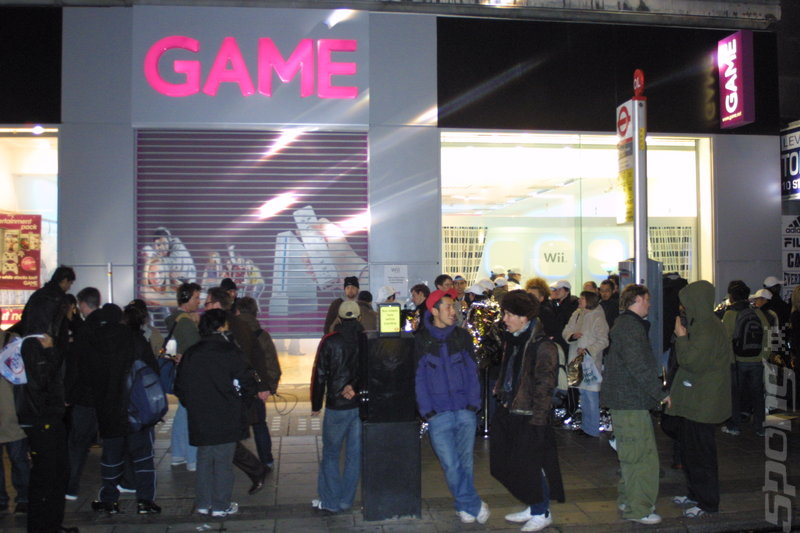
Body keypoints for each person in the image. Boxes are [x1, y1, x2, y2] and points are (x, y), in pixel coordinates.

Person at [491, 291, 564, 532]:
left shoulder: (543, 346)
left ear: (524, 318)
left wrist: (539, 422)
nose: (505, 319)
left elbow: (545, 386)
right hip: (508, 408)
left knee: (530, 466)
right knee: (501, 465)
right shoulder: (513, 339)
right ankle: (533, 504)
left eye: (510, 314)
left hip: (528, 414)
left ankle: (541, 511)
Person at [415, 289, 489, 524]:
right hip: (438, 415)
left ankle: (463, 505)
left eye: (454, 306)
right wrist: (428, 412)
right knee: (450, 464)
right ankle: (474, 504)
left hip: (465, 411)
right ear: (434, 310)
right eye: (447, 307)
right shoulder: (422, 340)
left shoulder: (462, 337)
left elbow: (472, 373)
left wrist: (473, 405)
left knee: (465, 462)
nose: (453, 311)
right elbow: (418, 379)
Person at [175, 309, 258, 518]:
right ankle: (221, 505)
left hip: (200, 416)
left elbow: (180, 387)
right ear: (221, 327)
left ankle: (203, 503)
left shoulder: (192, 354)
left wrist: (193, 405)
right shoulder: (230, 352)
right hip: (227, 416)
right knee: (223, 461)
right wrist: (241, 405)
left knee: (204, 459)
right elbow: (248, 384)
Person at [601, 284, 670, 526]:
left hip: (626, 401)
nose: (649, 305)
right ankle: (638, 509)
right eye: (647, 300)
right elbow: (638, 366)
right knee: (642, 457)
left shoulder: (625, 324)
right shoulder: (630, 327)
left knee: (630, 454)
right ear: (638, 299)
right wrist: (660, 393)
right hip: (630, 402)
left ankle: (628, 499)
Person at [16, 267, 78, 533]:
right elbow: (42, 380)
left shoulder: (40, 339)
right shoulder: (37, 344)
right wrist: (55, 352)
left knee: (56, 473)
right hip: (42, 417)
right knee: (46, 474)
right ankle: (43, 526)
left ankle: (52, 524)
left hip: (48, 415)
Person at [85, 304, 161, 515]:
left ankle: (109, 499)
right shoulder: (134, 339)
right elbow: (151, 370)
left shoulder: (94, 341)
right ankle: (145, 500)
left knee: (111, 456)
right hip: (135, 407)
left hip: (108, 409)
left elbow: (88, 377)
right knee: (143, 456)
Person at [665, 280, 731, 519]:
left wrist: (681, 337)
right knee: (692, 452)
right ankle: (695, 495)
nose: (682, 307)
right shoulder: (705, 324)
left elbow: (692, 362)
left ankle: (707, 502)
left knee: (701, 455)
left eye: (686, 302)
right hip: (697, 400)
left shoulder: (706, 327)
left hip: (704, 403)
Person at [204, 288, 269, 495]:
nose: (205, 306)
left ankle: (256, 469)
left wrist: (261, 385)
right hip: (228, 389)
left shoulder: (230, 326)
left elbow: (251, 357)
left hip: (231, 390)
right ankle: (256, 469)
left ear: (216, 304)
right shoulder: (229, 324)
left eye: (207, 303)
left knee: (225, 436)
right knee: (224, 436)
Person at [310, 300, 365, 513]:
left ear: (339, 319)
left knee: (331, 454)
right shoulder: (365, 339)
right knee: (354, 455)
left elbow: (319, 374)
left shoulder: (330, 341)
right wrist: (356, 387)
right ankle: (345, 500)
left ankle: (330, 501)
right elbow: (370, 370)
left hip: (336, 405)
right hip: (358, 405)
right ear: (359, 318)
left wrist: (316, 403)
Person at [234, 296, 282, 470]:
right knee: (259, 424)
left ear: (237, 311)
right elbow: (273, 364)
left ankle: (236, 460)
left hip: (237, 387)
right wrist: (270, 387)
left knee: (233, 427)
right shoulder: (262, 335)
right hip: (257, 388)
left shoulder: (231, 334)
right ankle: (266, 460)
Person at [64, 287, 102, 500]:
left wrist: (68, 395)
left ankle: (70, 487)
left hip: (85, 396)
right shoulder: (108, 327)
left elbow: (75, 367)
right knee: (116, 441)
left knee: (77, 443)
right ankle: (124, 482)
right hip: (106, 395)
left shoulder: (84, 330)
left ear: (83, 304)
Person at [721, 286, 774, 436]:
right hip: (757, 360)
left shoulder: (730, 314)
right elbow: (768, 334)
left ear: (732, 297)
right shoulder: (757, 312)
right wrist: (764, 354)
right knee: (757, 394)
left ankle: (734, 427)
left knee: (735, 395)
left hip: (738, 360)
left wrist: (730, 360)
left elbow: (726, 339)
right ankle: (760, 427)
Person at [562, 290, 609, 437]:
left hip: (590, 362)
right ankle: (586, 426)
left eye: (582, 298)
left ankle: (592, 428)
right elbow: (566, 330)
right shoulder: (577, 314)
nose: (579, 301)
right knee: (583, 393)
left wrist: (588, 350)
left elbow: (603, 340)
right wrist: (571, 336)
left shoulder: (598, 317)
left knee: (591, 395)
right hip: (577, 360)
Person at [166, 282, 202, 471]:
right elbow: (197, 349)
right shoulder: (187, 322)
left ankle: (178, 454)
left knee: (182, 413)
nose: (199, 301)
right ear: (186, 298)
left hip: (182, 373)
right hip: (192, 374)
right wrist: (196, 324)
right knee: (192, 415)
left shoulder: (173, 317)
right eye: (196, 297)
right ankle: (192, 458)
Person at [0, 328, 30, 515]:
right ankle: (13, 499)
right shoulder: (12, 341)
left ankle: (23, 497)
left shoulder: (12, 341)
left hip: (11, 412)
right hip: (11, 412)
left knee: (19, 459)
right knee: (18, 459)